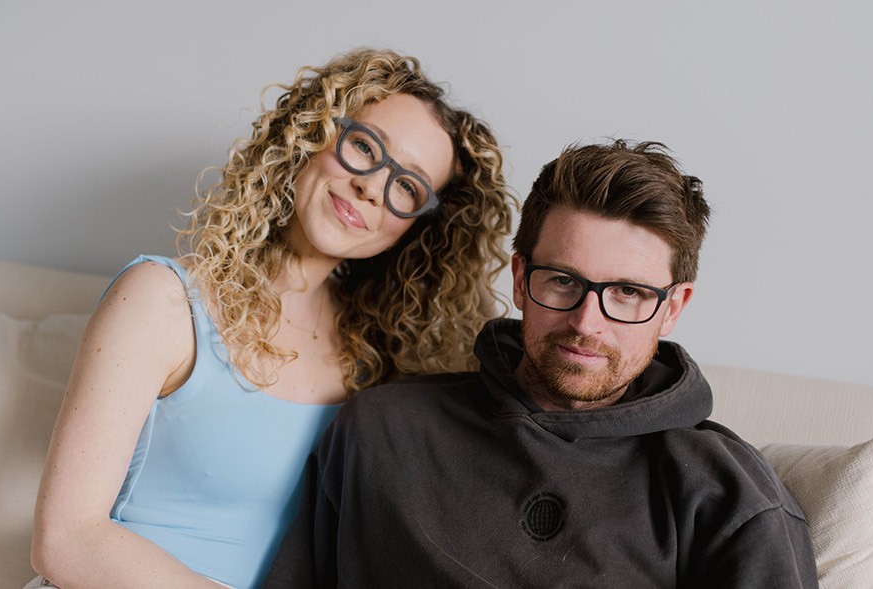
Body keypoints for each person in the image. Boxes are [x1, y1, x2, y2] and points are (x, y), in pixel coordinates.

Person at [28, 49, 516, 589]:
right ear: (312, 132)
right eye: (364, 146)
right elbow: (67, 541)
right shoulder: (163, 300)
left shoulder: (384, 366)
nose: (373, 186)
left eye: (408, 187)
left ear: (415, 228)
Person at [264, 140, 819, 587]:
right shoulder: (381, 430)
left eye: (627, 292)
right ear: (520, 279)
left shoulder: (728, 495)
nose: (586, 322)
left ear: (672, 308)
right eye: (562, 281)